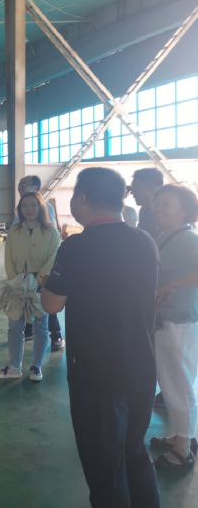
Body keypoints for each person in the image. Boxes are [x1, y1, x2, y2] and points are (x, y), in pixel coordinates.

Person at [41, 167, 160, 508]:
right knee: (134, 451)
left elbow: (51, 304)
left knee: (104, 465)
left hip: (96, 371)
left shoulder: (77, 246)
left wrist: (48, 284)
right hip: (141, 364)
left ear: (82, 198)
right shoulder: (144, 240)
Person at [149, 184, 198, 469]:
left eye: (166, 203)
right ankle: (183, 437)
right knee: (173, 383)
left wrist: (174, 285)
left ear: (184, 210)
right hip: (169, 320)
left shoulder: (188, 238)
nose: (158, 207)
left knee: (178, 385)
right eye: (157, 202)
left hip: (178, 322)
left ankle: (182, 452)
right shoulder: (169, 235)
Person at [0, 192, 60, 382]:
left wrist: (37, 281)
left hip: (40, 286)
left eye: (33, 205)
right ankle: (14, 366)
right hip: (17, 285)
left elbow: (53, 258)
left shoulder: (51, 232)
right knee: (15, 326)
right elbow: (8, 258)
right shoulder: (14, 231)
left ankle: (36, 366)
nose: (28, 209)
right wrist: (15, 281)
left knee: (41, 326)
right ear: (20, 209)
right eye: (24, 206)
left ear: (41, 207)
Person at [16, 176, 65, 349]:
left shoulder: (45, 208)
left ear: (36, 187)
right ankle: (29, 329)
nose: (20, 187)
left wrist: (42, 274)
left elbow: (52, 241)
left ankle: (56, 335)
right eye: (19, 185)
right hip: (25, 269)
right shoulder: (19, 211)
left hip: (42, 270)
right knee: (27, 302)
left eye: (24, 184)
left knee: (45, 304)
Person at [131, 167, 164, 240]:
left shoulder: (167, 214)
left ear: (153, 190)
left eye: (137, 189)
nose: (132, 192)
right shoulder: (144, 211)